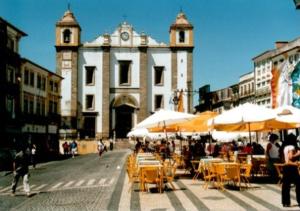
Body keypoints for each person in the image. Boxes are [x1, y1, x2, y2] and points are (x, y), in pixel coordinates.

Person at [281, 134, 300, 207]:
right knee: (298, 184)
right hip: (291, 168)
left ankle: (285, 202)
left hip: (286, 168)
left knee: (285, 186)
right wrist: (298, 154)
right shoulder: (291, 147)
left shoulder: (285, 147)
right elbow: (290, 157)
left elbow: (286, 159)